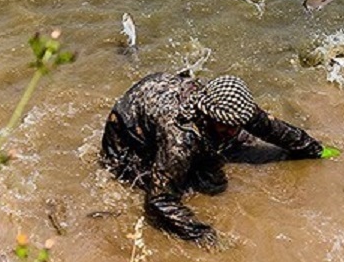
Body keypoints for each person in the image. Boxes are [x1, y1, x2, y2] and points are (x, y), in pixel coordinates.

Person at [100, 70, 331, 246]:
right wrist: (205, 235)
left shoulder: (234, 108)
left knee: (230, 154)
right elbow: (159, 201)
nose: (234, 129)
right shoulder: (179, 140)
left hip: (161, 94)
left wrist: (317, 150)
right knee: (146, 178)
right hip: (127, 130)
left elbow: (273, 129)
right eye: (227, 126)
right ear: (208, 115)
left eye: (237, 124)